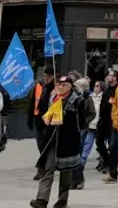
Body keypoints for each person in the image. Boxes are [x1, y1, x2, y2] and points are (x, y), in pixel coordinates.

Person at [33, 76, 82, 208]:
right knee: (47, 169)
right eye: (59, 84)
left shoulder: (77, 100)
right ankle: (41, 200)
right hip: (51, 139)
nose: (61, 87)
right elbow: (42, 109)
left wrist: (77, 128)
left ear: (71, 86)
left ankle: (62, 200)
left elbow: (88, 115)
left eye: (64, 84)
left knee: (66, 172)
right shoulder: (53, 98)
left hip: (68, 141)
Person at [30, 67, 56, 180]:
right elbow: (33, 103)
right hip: (38, 120)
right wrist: (30, 118)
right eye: (45, 76)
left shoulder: (56, 88)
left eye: (48, 77)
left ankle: (43, 169)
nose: (46, 78)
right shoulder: (39, 86)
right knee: (40, 145)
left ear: (54, 77)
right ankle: (43, 167)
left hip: (50, 122)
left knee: (46, 146)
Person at [94, 72, 116, 172]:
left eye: (110, 75)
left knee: (112, 145)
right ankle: (106, 160)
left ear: (115, 78)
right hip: (103, 119)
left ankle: (111, 166)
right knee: (99, 141)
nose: (107, 77)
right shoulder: (107, 89)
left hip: (112, 120)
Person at [83, 80, 103, 173]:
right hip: (91, 125)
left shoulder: (103, 97)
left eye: (98, 86)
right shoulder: (90, 97)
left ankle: (103, 161)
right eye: (95, 85)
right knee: (87, 144)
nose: (95, 87)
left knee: (100, 145)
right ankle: (82, 162)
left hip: (99, 125)